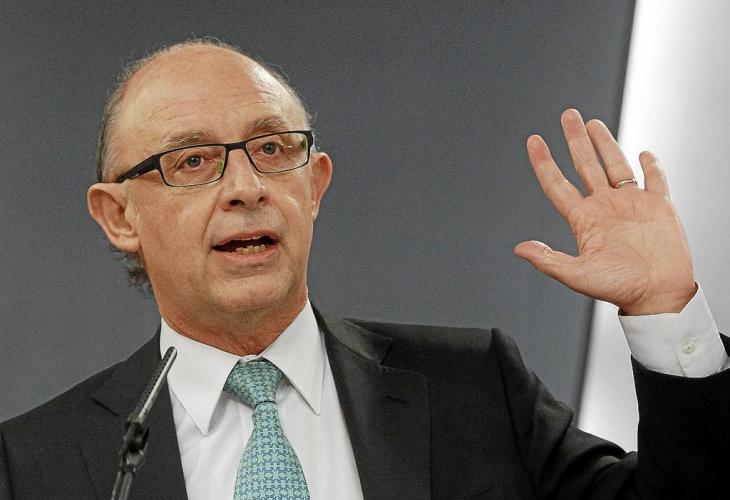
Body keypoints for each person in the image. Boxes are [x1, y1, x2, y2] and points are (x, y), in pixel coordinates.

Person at [1, 39, 728, 500]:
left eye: (273, 149)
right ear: (119, 216)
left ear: (314, 185)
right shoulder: (34, 464)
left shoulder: (476, 390)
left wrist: (666, 308)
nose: (246, 187)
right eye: (192, 161)